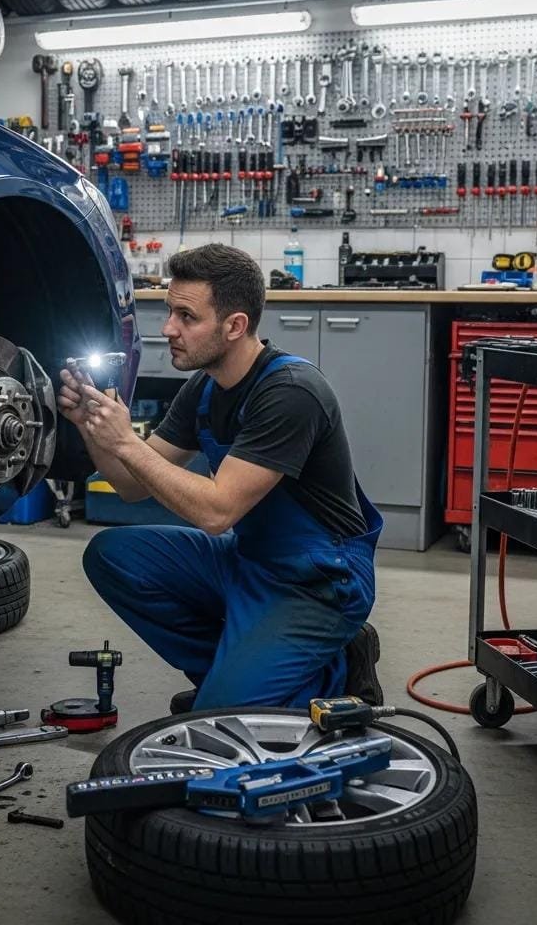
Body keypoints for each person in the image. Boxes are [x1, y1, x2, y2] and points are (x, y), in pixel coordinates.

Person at [57, 243, 384, 713]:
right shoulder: (206, 389)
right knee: (113, 555)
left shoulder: (290, 393)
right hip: (248, 560)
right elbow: (130, 485)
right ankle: (230, 671)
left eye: (186, 317)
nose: (168, 328)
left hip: (317, 579)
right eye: (170, 311)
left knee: (221, 722)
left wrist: (125, 440)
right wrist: (91, 425)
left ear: (234, 326)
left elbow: (216, 511)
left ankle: (336, 668)